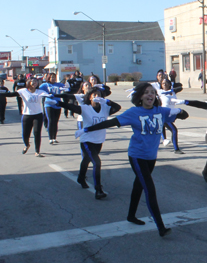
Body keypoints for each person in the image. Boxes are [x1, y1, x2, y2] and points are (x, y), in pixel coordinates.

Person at [75, 82, 189, 237]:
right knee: (149, 188)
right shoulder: (134, 112)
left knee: (138, 186)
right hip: (137, 156)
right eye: (146, 92)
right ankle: (161, 227)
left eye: (152, 93)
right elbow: (111, 122)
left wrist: (180, 111)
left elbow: (184, 116)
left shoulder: (160, 111)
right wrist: (86, 129)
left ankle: (131, 216)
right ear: (140, 97)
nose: (150, 95)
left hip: (151, 157)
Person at [53, 87, 121, 199]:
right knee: (97, 163)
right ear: (89, 97)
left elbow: (118, 107)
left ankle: (81, 177)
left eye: (98, 95)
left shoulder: (105, 108)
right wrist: (57, 102)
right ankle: (98, 190)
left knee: (86, 160)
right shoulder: (85, 108)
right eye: (94, 95)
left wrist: (107, 101)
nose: (96, 97)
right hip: (86, 140)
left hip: (99, 140)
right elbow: (72, 107)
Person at [0, 78, 51, 157]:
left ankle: (37, 151)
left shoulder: (40, 92)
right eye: (33, 82)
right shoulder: (23, 91)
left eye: (36, 82)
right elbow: (10, 94)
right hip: (27, 115)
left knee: (37, 133)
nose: (35, 83)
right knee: (25, 134)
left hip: (38, 115)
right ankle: (27, 145)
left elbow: (50, 95)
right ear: (28, 83)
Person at [157, 75, 184, 153]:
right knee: (174, 130)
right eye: (163, 83)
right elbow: (165, 92)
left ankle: (164, 139)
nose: (164, 84)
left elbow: (180, 88)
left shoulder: (173, 93)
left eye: (166, 83)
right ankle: (176, 149)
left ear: (169, 84)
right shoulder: (160, 92)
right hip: (164, 114)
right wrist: (171, 90)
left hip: (171, 114)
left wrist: (173, 89)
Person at [39, 73, 68, 144]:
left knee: (55, 122)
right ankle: (50, 138)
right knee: (51, 120)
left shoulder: (59, 84)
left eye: (54, 77)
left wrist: (66, 85)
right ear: (48, 78)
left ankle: (54, 137)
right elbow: (38, 90)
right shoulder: (45, 85)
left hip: (57, 104)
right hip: (49, 104)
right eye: (51, 77)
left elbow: (67, 88)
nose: (53, 79)